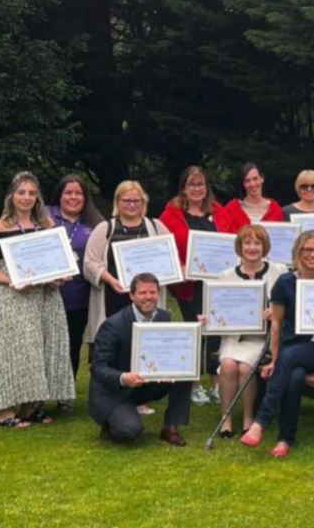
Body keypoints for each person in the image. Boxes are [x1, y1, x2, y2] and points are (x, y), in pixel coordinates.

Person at [0, 171, 76, 427]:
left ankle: (33, 405)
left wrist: (59, 277)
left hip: (45, 296)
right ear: (11, 195)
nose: (26, 197)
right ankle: (5, 409)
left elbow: (60, 262)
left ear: (38, 197)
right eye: (21, 192)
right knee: (15, 350)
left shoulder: (47, 225)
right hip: (14, 296)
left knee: (42, 348)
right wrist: (10, 280)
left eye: (32, 193)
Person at [239, 230, 314, 457]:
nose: (313, 254)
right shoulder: (285, 282)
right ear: (298, 252)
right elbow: (276, 324)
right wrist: (274, 359)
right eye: (307, 249)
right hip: (291, 348)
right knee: (294, 378)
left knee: (289, 357)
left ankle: (261, 422)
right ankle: (285, 439)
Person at [88, 273, 193, 446]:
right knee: (129, 431)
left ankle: (170, 426)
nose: (148, 297)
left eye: (152, 293)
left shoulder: (164, 317)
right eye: (143, 293)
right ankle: (110, 421)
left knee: (185, 370)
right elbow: (98, 367)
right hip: (116, 389)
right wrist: (123, 378)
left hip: (146, 382)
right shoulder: (113, 325)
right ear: (131, 295)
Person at [213, 225, 285, 438]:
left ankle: (248, 417)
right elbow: (218, 308)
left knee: (245, 368)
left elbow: (289, 302)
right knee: (227, 365)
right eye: (247, 243)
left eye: (257, 243)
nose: (252, 248)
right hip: (234, 337)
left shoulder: (278, 271)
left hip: (263, 338)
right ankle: (225, 417)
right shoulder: (225, 276)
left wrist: (276, 310)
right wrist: (211, 317)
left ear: (265, 247)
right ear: (239, 247)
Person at [159, 165, 221, 404]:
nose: (197, 189)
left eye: (201, 184)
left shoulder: (218, 211)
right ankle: (193, 385)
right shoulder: (171, 214)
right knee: (195, 332)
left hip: (216, 285)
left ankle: (216, 383)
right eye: (192, 184)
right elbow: (164, 248)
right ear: (183, 188)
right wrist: (182, 266)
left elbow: (235, 237)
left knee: (216, 333)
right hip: (189, 285)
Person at [82, 181, 171, 346]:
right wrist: (110, 280)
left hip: (148, 300)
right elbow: (90, 263)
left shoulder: (156, 227)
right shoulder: (105, 228)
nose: (131, 205)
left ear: (143, 203)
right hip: (112, 298)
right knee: (113, 346)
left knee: (148, 346)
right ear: (117, 202)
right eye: (126, 200)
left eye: (136, 201)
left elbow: (170, 258)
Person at [48, 174, 104, 382]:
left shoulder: (96, 223)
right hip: (47, 293)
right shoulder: (45, 216)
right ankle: (40, 397)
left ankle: (66, 392)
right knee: (46, 343)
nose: (73, 197)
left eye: (78, 193)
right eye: (68, 192)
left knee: (72, 344)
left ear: (85, 197)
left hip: (79, 296)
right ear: (59, 195)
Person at [215, 162, 285, 230]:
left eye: (255, 179)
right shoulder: (232, 209)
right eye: (247, 181)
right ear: (243, 184)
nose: (252, 184)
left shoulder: (275, 209)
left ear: (262, 178)